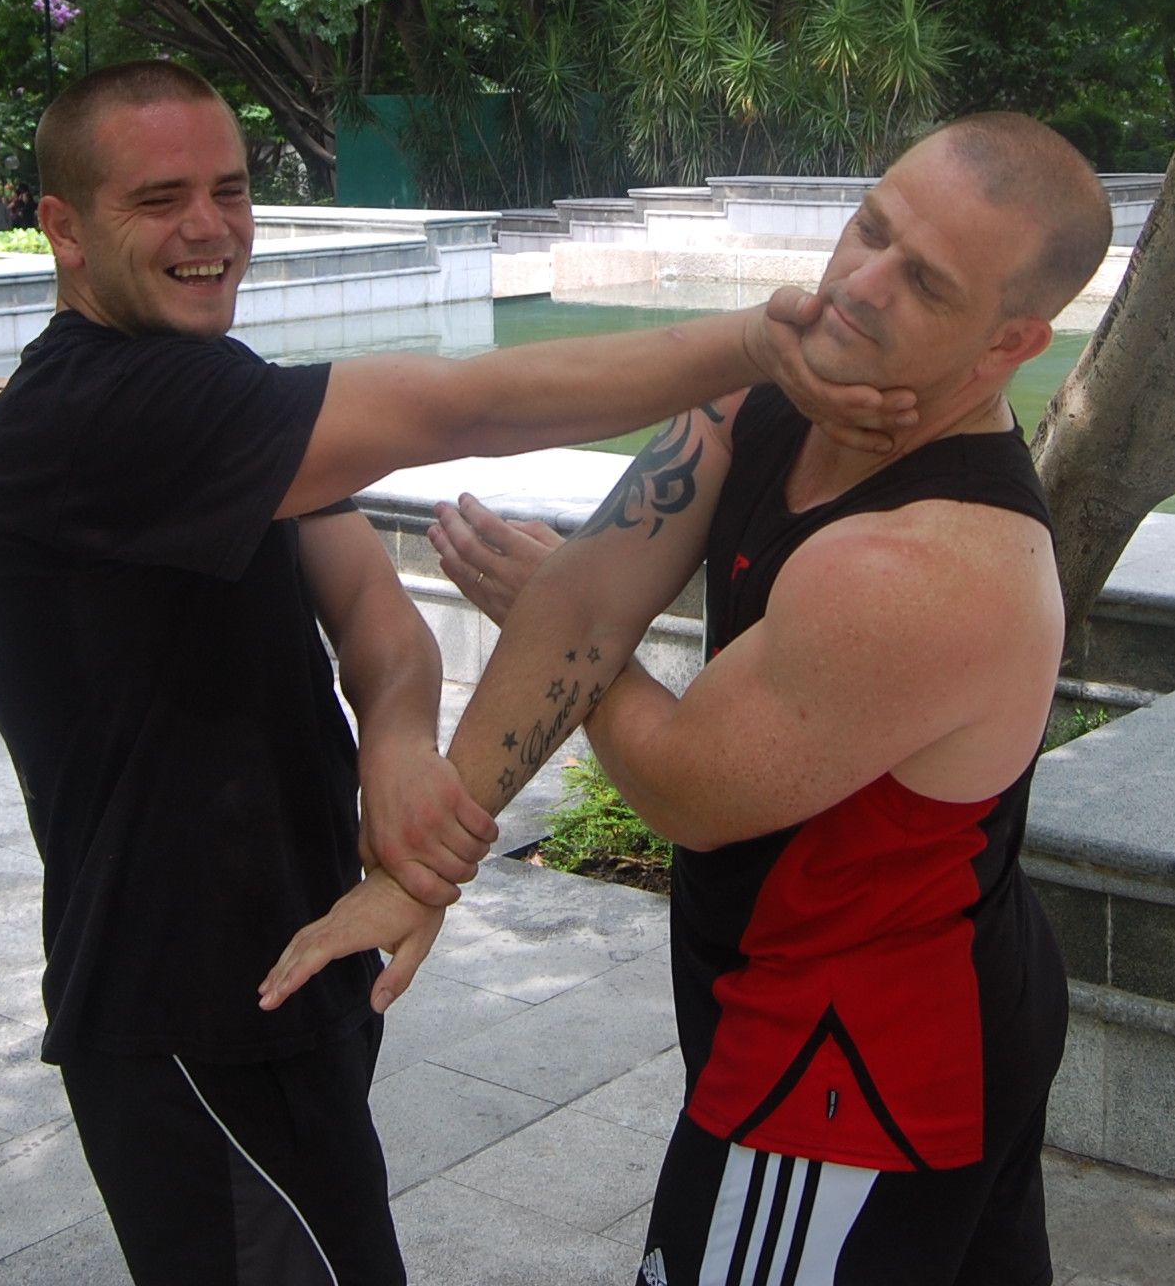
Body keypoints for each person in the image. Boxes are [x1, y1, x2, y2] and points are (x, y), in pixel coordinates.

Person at [0, 59, 911, 1286]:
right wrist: (745, 344)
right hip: (187, 1003)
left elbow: (375, 612)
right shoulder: (101, 410)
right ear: (63, 227)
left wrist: (395, 743)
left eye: (230, 189)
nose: (209, 226)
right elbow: (457, 404)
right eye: (159, 199)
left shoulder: (211, 394)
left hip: (296, 963)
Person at [262, 114, 1113, 1286]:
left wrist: (553, 616)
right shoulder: (775, 390)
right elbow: (591, 591)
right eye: (869, 227)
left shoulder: (928, 565)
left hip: (848, 1069)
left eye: (923, 282)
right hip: (890, 1011)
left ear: (1012, 340)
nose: (859, 283)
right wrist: (419, 868)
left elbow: (681, 785)